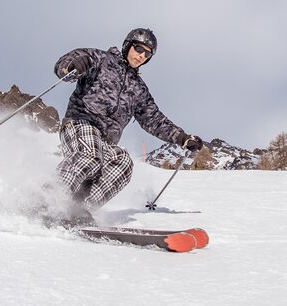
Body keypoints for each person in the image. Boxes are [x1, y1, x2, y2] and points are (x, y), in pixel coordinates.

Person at [48, 28, 203, 225]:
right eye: (139, 49)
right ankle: (48, 198)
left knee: (123, 164)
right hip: (80, 122)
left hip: (105, 141)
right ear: (128, 45)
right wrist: (72, 66)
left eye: (147, 54)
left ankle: (78, 210)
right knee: (90, 155)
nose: (141, 55)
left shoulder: (138, 88)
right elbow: (64, 65)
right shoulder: (99, 59)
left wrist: (182, 138)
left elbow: (153, 119)